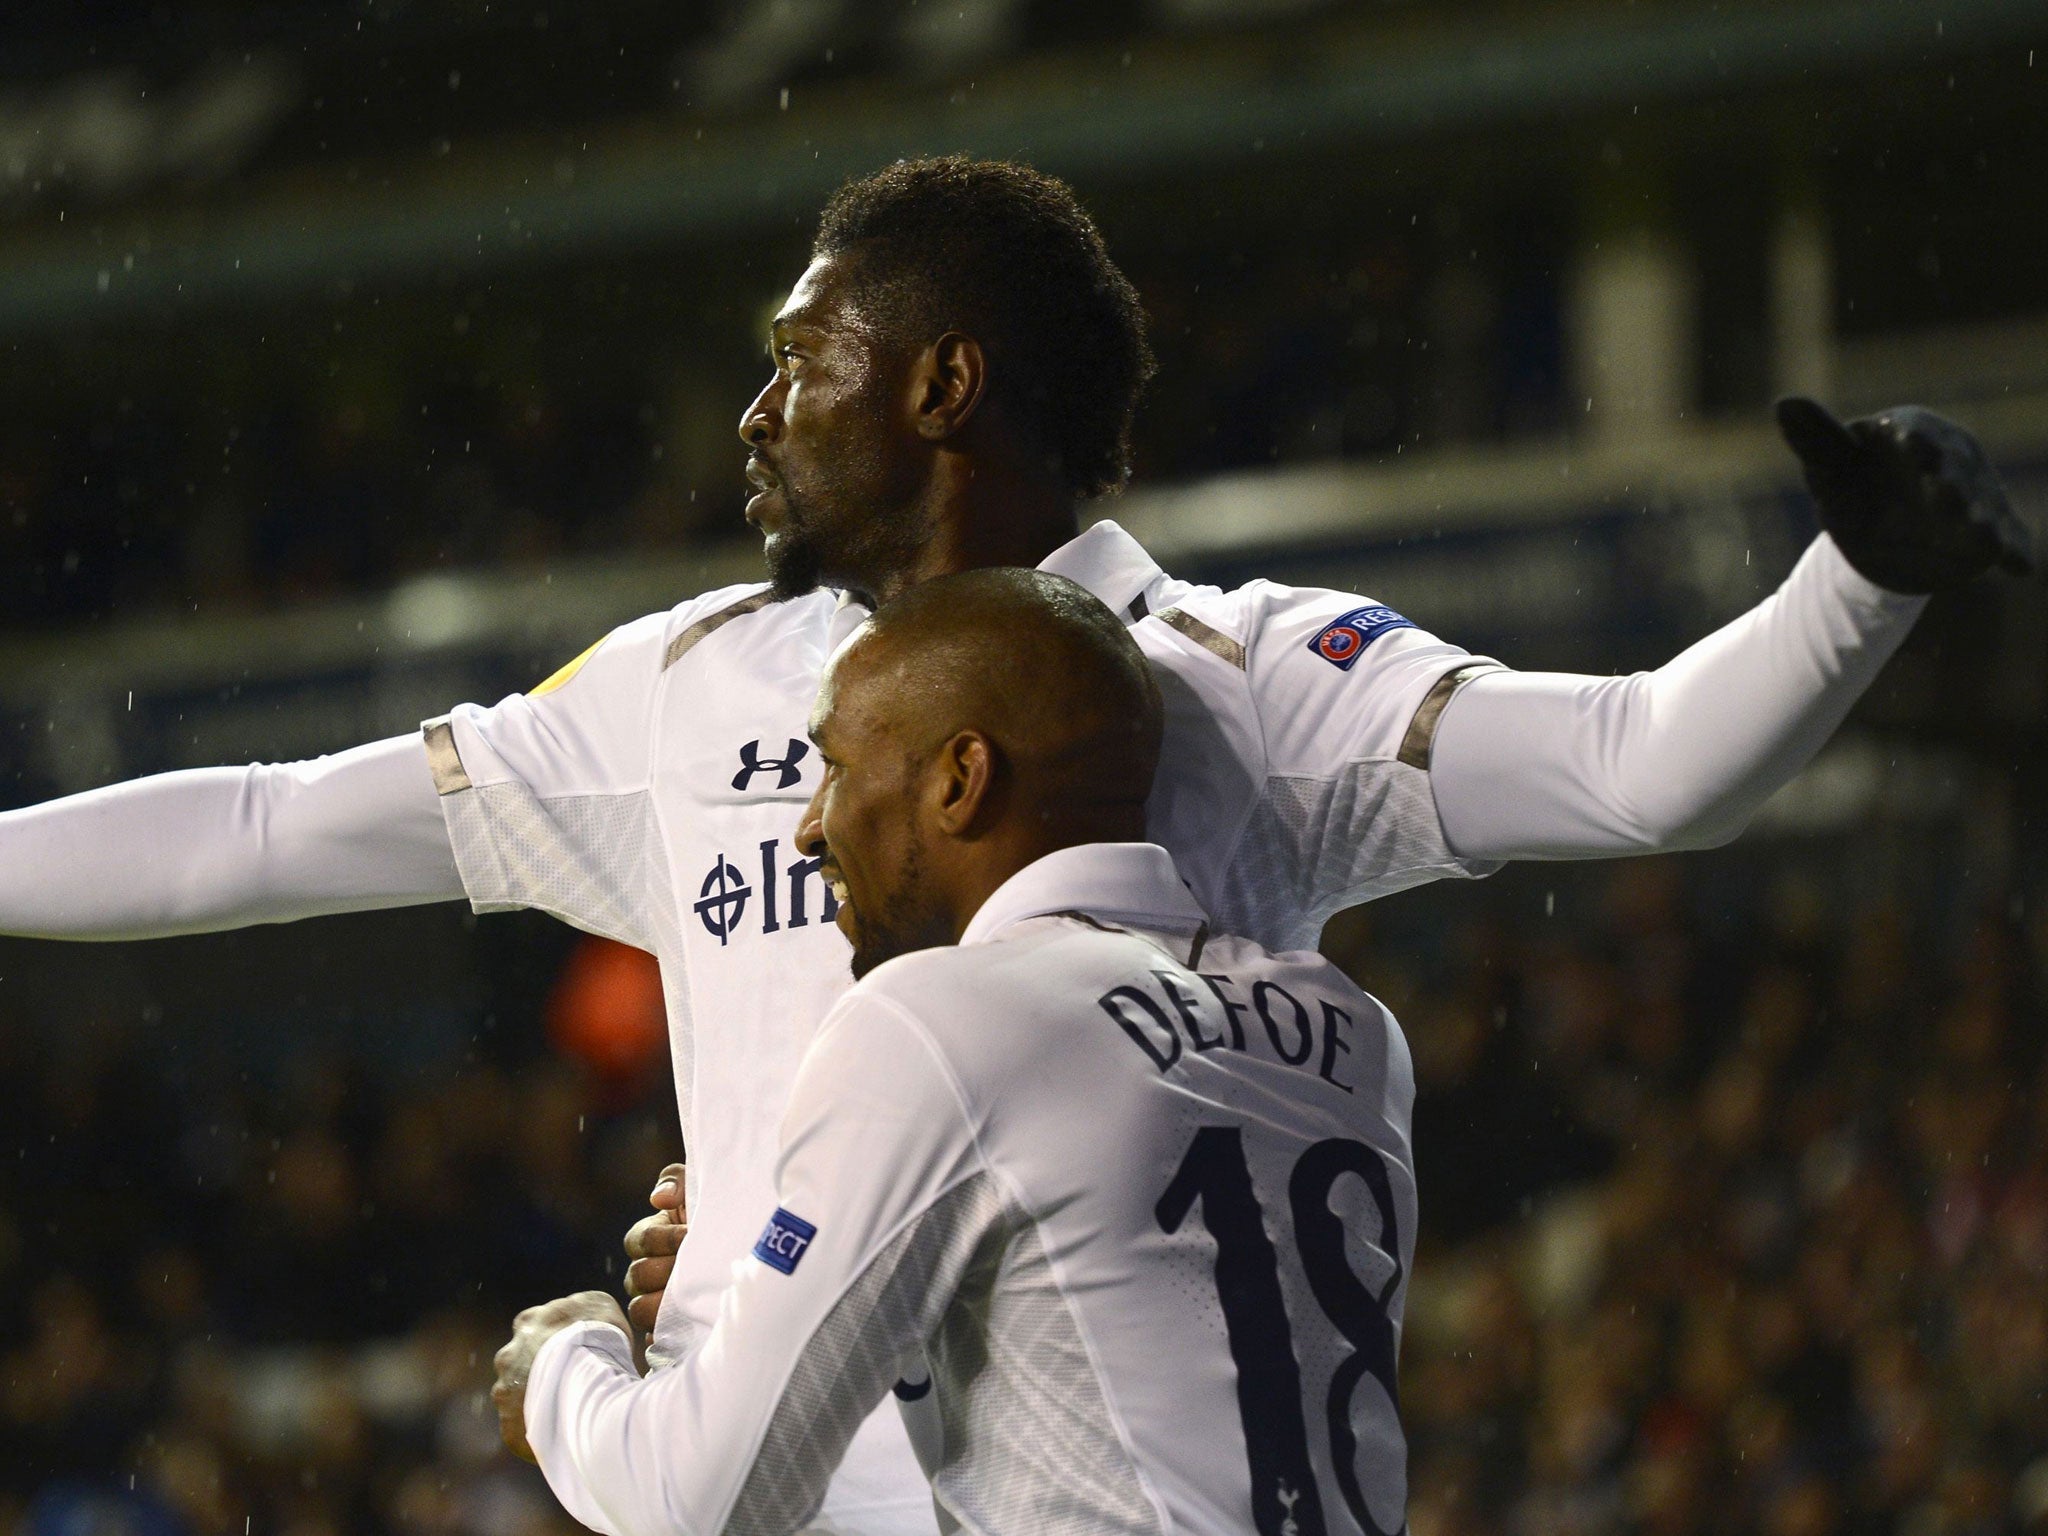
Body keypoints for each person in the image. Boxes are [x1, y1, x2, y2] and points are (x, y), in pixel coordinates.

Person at [0, 157, 2031, 1533]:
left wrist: (1853, 582)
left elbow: (1642, 766)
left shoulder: (1231, 672)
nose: (753, 415)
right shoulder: (690, 682)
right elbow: (258, 830)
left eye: (802, 362)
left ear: (947, 385)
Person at [494, 568, 1425, 1536]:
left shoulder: (935, 1019)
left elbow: (704, 1495)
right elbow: (1128, 1331)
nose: (810, 827)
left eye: (838, 770)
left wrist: (565, 1369)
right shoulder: (1354, 1033)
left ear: (958, 779)